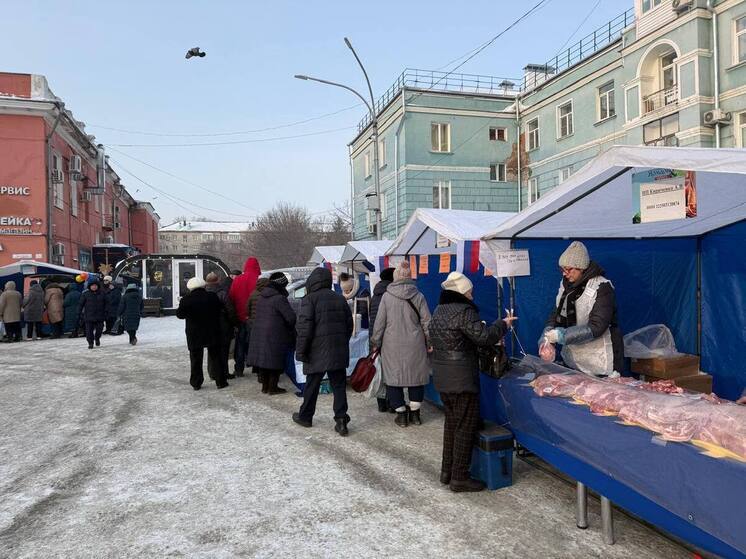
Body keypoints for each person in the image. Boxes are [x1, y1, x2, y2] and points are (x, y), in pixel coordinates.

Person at [430, 272, 517, 492]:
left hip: (442, 376)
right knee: (465, 426)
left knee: (451, 424)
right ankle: (459, 477)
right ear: (462, 291)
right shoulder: (465, 311)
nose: (472, 294)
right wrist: (503, 324)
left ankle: (447, 471)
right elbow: (483, 337)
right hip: (461, 378)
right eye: (469, 290)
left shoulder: (439, 310)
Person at [540, 241, 623, 376]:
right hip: (574, 359)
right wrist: (547, 335)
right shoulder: (565, 284)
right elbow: (556, 313)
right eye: (562, 269)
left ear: (582, 267)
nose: (564, 274)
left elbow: (597, 326)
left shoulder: (602, 287)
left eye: (569, 269)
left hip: (599, 360)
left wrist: (561, 336)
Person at [370, 260, 431, 428]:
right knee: (416, 379)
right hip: (415, 344)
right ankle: (416, 415)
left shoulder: (386, 297)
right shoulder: (419, 296)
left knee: (393, 379)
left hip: (391, 345)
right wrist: (430, 341)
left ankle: (401, 416)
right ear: (410, 277)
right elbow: (427, 321)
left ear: (396, 277)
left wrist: (375, 341)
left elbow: (379, 323)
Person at [293, 267, 353, 436]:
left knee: (312, 385)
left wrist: (301, 351)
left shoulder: (309, 300)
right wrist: (341, 341)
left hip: (315, 351)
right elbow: (349, 326)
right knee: (339, 386)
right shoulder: (340, 299)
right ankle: (341, 420)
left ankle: (305, 416)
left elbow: (304, 330)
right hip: (337, 350)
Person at [247, 272, 296, 395]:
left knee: (264, 361)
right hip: (275, 333)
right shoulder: (279, 298)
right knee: (275, 361)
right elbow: (290, 318)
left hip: (260, 332)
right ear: (281, 285)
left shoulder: (262, 296)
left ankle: (265, 387)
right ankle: (273, 388)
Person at [177, 276, 228, 390]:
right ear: (203, 285)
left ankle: (196, 382)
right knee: (215, 357)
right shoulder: (212, 296)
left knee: (195, 358)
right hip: (212, 330)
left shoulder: (186, 299)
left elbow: (180, 315)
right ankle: (220, 381)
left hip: (194, 333)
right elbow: (220, 308)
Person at [228, 257, 261, 377]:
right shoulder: (259, 280)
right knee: (256, 343)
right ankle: (257, 368)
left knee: (240, 344)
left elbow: (231, 297)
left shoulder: (238, 280)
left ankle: (239, 369)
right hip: (255, 318)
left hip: (240, 318)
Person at [369, 267, 395, 413]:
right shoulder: (390, 295)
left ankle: (381, 403)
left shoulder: (375, 295)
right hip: (389, 339)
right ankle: (392, 403)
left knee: (378, 370)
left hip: (374, 338)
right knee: (390, 372)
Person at [205, 272, 237, 381]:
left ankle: (212, 372)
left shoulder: (204, 293)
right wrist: (233, 323)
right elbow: (230, 310)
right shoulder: (222, 293)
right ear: (218, 280)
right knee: (224, 351)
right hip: (223, 326)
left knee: (211, 351)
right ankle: (224, 373)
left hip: (209, 326)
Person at [246, 277, 270, 384]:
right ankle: (264, 373)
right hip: (265, 324)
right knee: (265, 349)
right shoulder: (268, 295)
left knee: (255, 348)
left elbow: (247, 309)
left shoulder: (253, 294)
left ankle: (256, 370)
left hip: (253, 324)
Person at [78, 279, 106, 349]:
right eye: (92, 286)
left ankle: (97, 338)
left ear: (98, 286)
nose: (94, 287)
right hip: (89, 316)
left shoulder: (102, 293)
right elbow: (80, 304)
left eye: (95, 285)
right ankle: (90, 343)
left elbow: (107, 304)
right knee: (89, 332)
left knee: (99, 330)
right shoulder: (85, 294)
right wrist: (79, 313)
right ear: (90, 286)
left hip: (100, 316)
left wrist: (106, 312)